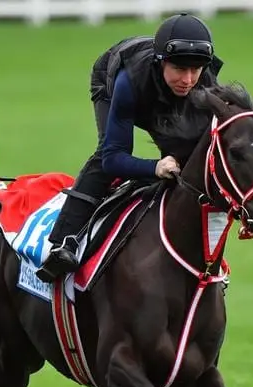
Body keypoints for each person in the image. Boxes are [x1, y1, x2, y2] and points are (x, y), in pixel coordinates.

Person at [36, 13, 224, 283]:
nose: (188, 79)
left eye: (196, 69)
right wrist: (154, 167)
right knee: (105, 154)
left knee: (185, 152)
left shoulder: (205, 83)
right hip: (111, 78)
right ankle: (64, 243)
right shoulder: (129, 82)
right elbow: (114, 159)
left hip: (153, 86)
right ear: (161, 62)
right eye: (180, 69)